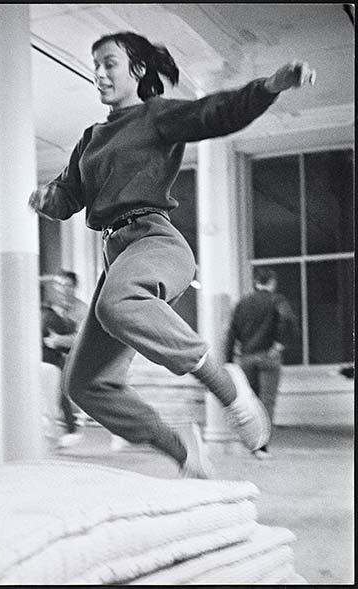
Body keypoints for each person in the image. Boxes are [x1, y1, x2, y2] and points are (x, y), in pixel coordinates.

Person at [29, 31, 316, 478]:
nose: (100, 73)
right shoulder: (90, 138)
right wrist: (43, 199)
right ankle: (182, 449)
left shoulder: (155, 116)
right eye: (96, 65)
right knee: (84, 384)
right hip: (116, 256)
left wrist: (269, 87)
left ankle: (228, 386)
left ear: (138, 72)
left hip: (155, 241)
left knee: (116, 303)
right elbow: (68, 197)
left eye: (109, 63)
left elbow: (213, 113)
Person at [225, 268, 298, 459]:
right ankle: (262, 446)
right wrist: (280, 344)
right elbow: (288, 320)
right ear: (272, 282)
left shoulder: (243, 303)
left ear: (255, 282)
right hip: (269, 356)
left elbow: (231, 332)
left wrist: (228, 360)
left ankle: (250, 442)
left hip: (246, 357)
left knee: (250, 401)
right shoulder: (277, 300)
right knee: (267, 402)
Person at [41, 270, 87, 448]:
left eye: (67, 285)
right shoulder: (52, 308)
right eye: (59, 285)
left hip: (78, 357)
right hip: (56, 359)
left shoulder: (83, 310)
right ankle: (69, 428)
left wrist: (57, 340)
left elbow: (81, 338)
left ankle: (70, 428)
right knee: (56, 389)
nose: (63, 289)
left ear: (74, 288)